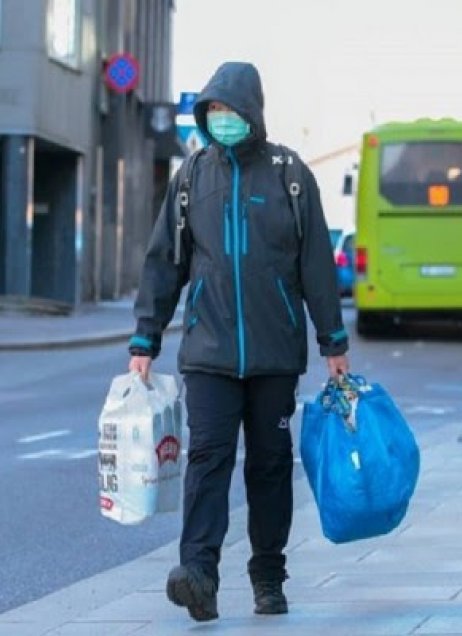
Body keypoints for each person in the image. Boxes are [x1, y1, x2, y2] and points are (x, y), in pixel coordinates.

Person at [128, 62, 350, 622]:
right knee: (206, 459)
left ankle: (268, 577)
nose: (222, 121)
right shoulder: (190, 178)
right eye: (213, 112)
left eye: (230, 112)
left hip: (275, 353)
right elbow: (164, 263)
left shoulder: (290, 175)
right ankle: (198, 572)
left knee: (271, 464)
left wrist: (333, 340)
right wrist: (144, 338)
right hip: (209, 351)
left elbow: (317, 265)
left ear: (252, 113)